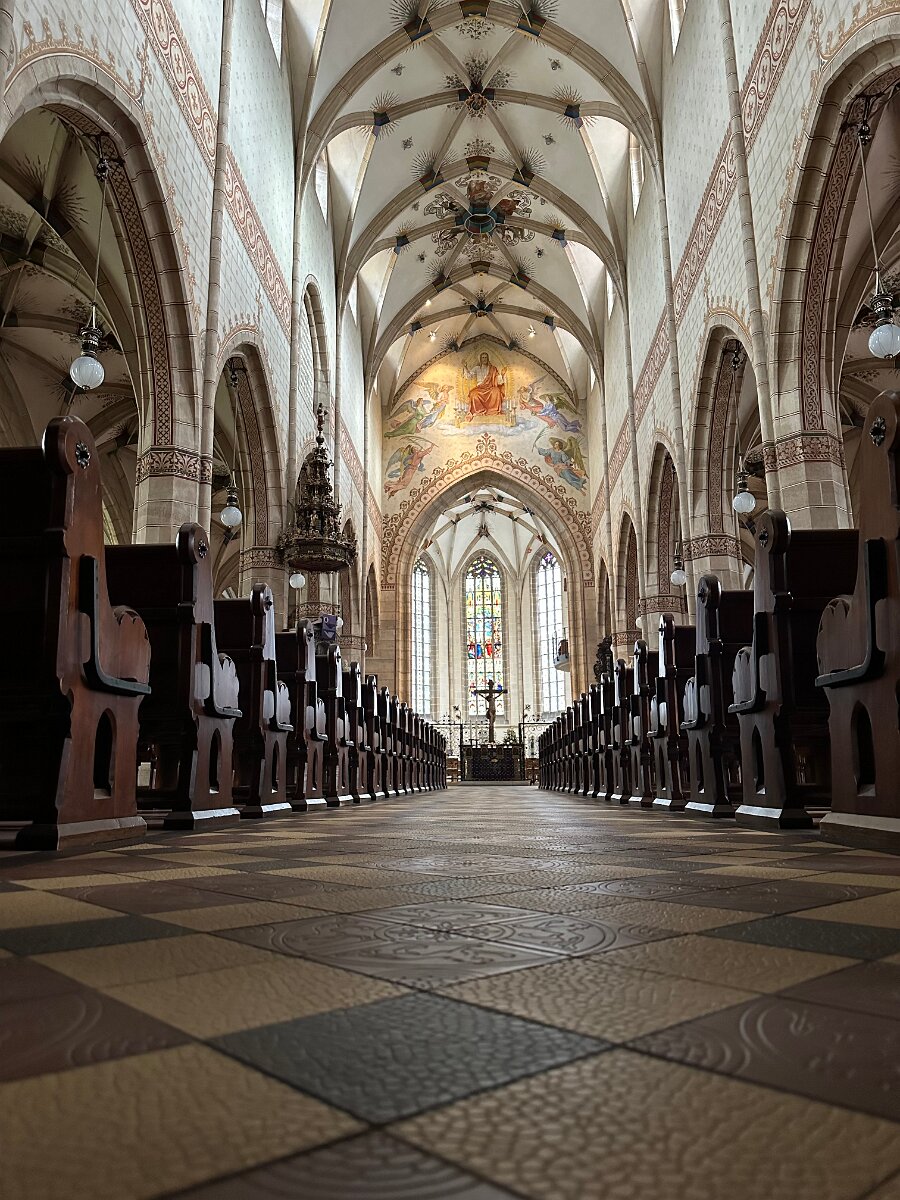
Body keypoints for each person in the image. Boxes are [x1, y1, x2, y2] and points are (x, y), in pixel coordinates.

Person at [464, 352, 506, 419]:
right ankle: (479, 411)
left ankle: (493, 410)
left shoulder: (492, 368)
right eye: (483, 357)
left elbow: (497, 379)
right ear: (480, 359)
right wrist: (465, 367)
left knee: (497, 391)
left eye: (485, 357)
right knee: (473, 394)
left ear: (488, 358)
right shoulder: (477, 368)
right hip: (480, 387)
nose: (484, 359)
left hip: (490, 387)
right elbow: (469, 376)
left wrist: (502, 374)